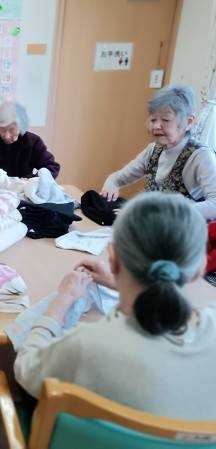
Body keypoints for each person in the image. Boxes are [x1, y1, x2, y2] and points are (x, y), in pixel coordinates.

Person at [13, 191, 214, 421]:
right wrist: (119, 282)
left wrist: (61, 302)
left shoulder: (86, 346)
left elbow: (26, 370)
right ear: (200, 268)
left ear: (113, 257)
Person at [101, 84, 216, 220]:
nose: (156, 126)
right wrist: (112, 183)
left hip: (184, 230)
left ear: (188, 122)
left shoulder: (201, 156)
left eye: (166, 119)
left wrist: (157, 211)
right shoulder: (153, 150)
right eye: (153, 119)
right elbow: (118, 178)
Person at [0, 101, 60, 179]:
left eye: (12, 130)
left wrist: (31, 179)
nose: (6, 136)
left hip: (22, 191)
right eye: (2, 129)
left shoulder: (33, 142)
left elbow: (52, 167)